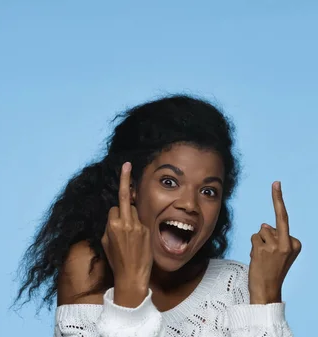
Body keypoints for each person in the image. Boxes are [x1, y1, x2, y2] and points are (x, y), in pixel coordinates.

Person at [16, 95, 302, 336]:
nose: (190, 204)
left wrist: (265, 298)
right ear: (131, 187)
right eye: (169, 182)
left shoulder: (236, 284)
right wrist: (129, 288)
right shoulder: (89, 268)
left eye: (208, 191)